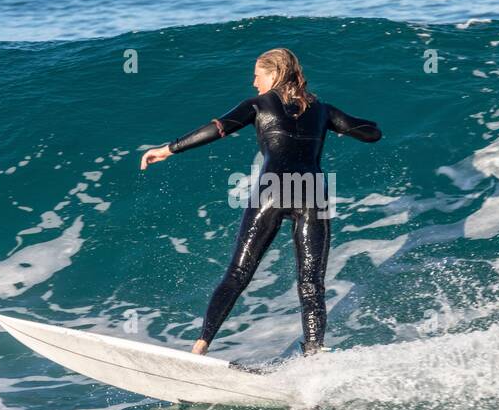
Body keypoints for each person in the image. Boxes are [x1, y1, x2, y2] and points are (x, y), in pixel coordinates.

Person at [141, 48, 381, 355]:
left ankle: (200, 347)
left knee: (238, 273)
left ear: (273, 74)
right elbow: (370, 133)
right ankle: (314, 353)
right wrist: (348, 127)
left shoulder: (259, 104)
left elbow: (218, 128)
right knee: (311, 282)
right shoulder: (323, 110)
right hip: (312, 194)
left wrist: (169, 149)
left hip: (272, 190)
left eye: (257, 75)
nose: (254, 83)